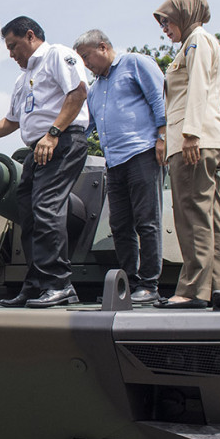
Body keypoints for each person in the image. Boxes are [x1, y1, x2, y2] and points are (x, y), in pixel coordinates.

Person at [0, 16, 89, 308]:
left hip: (62, 141)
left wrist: (53, 133)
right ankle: (36, 286)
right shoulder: (24, 79)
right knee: (28, 216)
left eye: (13, 46)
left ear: (30, 36)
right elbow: (11, 122)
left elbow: (78, 92)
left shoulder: (58, 56)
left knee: (48, 208)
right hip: (38, 148)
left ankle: (59, 284)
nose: (11, 54)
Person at [73, 30, 165, 304]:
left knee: (147, 221)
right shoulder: (96, 88)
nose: (85, 64)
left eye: (87, 57)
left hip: (142, 153)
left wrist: (163, 136)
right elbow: (87, 126)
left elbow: (159, 98)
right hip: (114, 163)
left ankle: (150, 284)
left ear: (102, 47)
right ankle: (131, 283)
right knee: (120, 225)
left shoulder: (135, 63)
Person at [153, 0, 220, 308]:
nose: (164, 29)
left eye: (167, 21)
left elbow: (197, 85)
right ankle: (218, 289)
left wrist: (190, 134)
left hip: (194, 140)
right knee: (210, 215)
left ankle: (192, 291)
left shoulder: (196, 40)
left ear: (184, 16)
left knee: (191, 215)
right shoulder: (202, 41)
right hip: (209, 137)